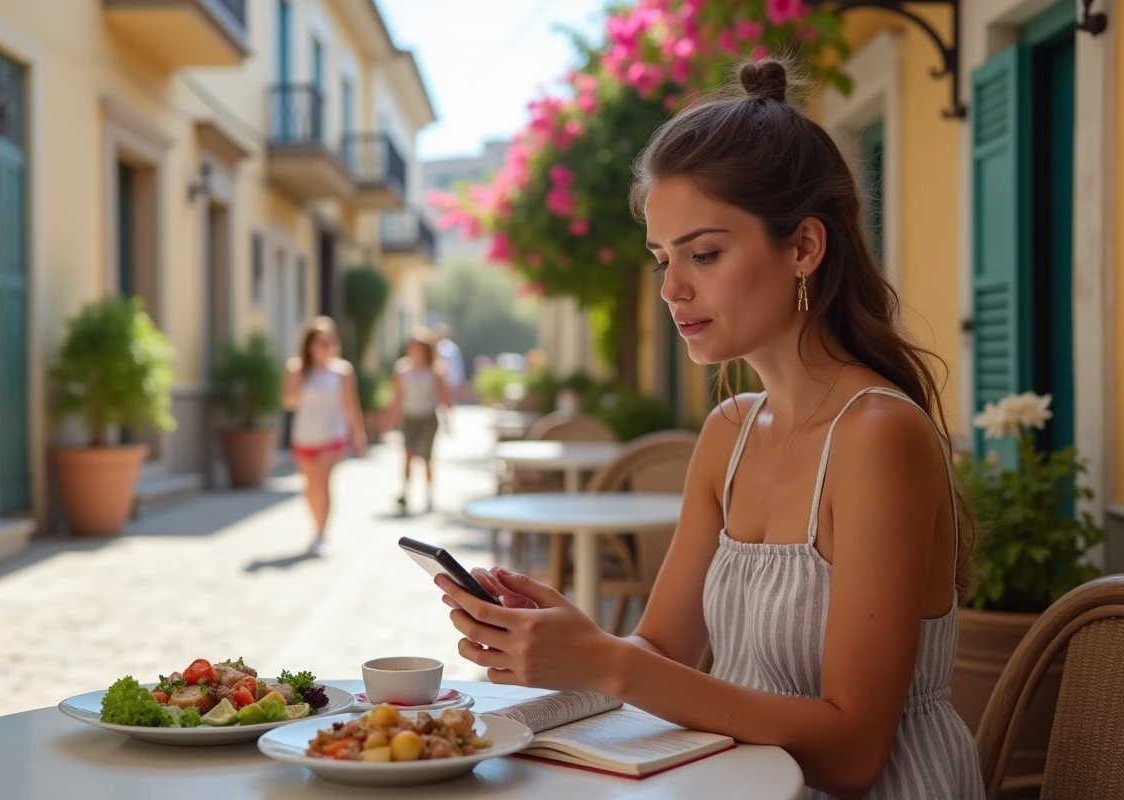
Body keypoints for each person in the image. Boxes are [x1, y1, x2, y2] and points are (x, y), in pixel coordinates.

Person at [432, 59, 983, 800]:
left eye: (705, 253)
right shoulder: (728, 431)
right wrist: (571, 641)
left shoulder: (878, 436)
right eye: (664, 257)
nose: (672, 288)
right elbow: (664, 651)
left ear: (804, 248)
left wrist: (610, 664)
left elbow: (854, 753)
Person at [282, 316, 366, 557]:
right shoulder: (296, 368)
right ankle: (315, 528)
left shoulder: (342, 371)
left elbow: (351, 404)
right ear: (309, 344)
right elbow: (288, 402)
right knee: (310, 488)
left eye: (329, 341)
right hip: (304, 436)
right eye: (320, 341)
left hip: (332, 435)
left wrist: (357, 432)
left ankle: (321, 534)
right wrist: (297, 382)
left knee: (322, 483)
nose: (325, 346)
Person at [389, 327, 452, 513]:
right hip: (409, 418)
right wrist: (392, 419)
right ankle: (405, 492)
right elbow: (397, 397)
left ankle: (429, 494)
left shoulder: (435, 370)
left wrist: (448, 419)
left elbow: (443, 396)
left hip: (428, 418)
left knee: (427, 458)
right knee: (407, 456)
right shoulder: (402, 369)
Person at [432, 323, 466, 403]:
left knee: (450, 399)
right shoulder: (436, 346)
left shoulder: (450, 347)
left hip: (451, 378)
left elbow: (456, 364)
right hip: (441, 378)